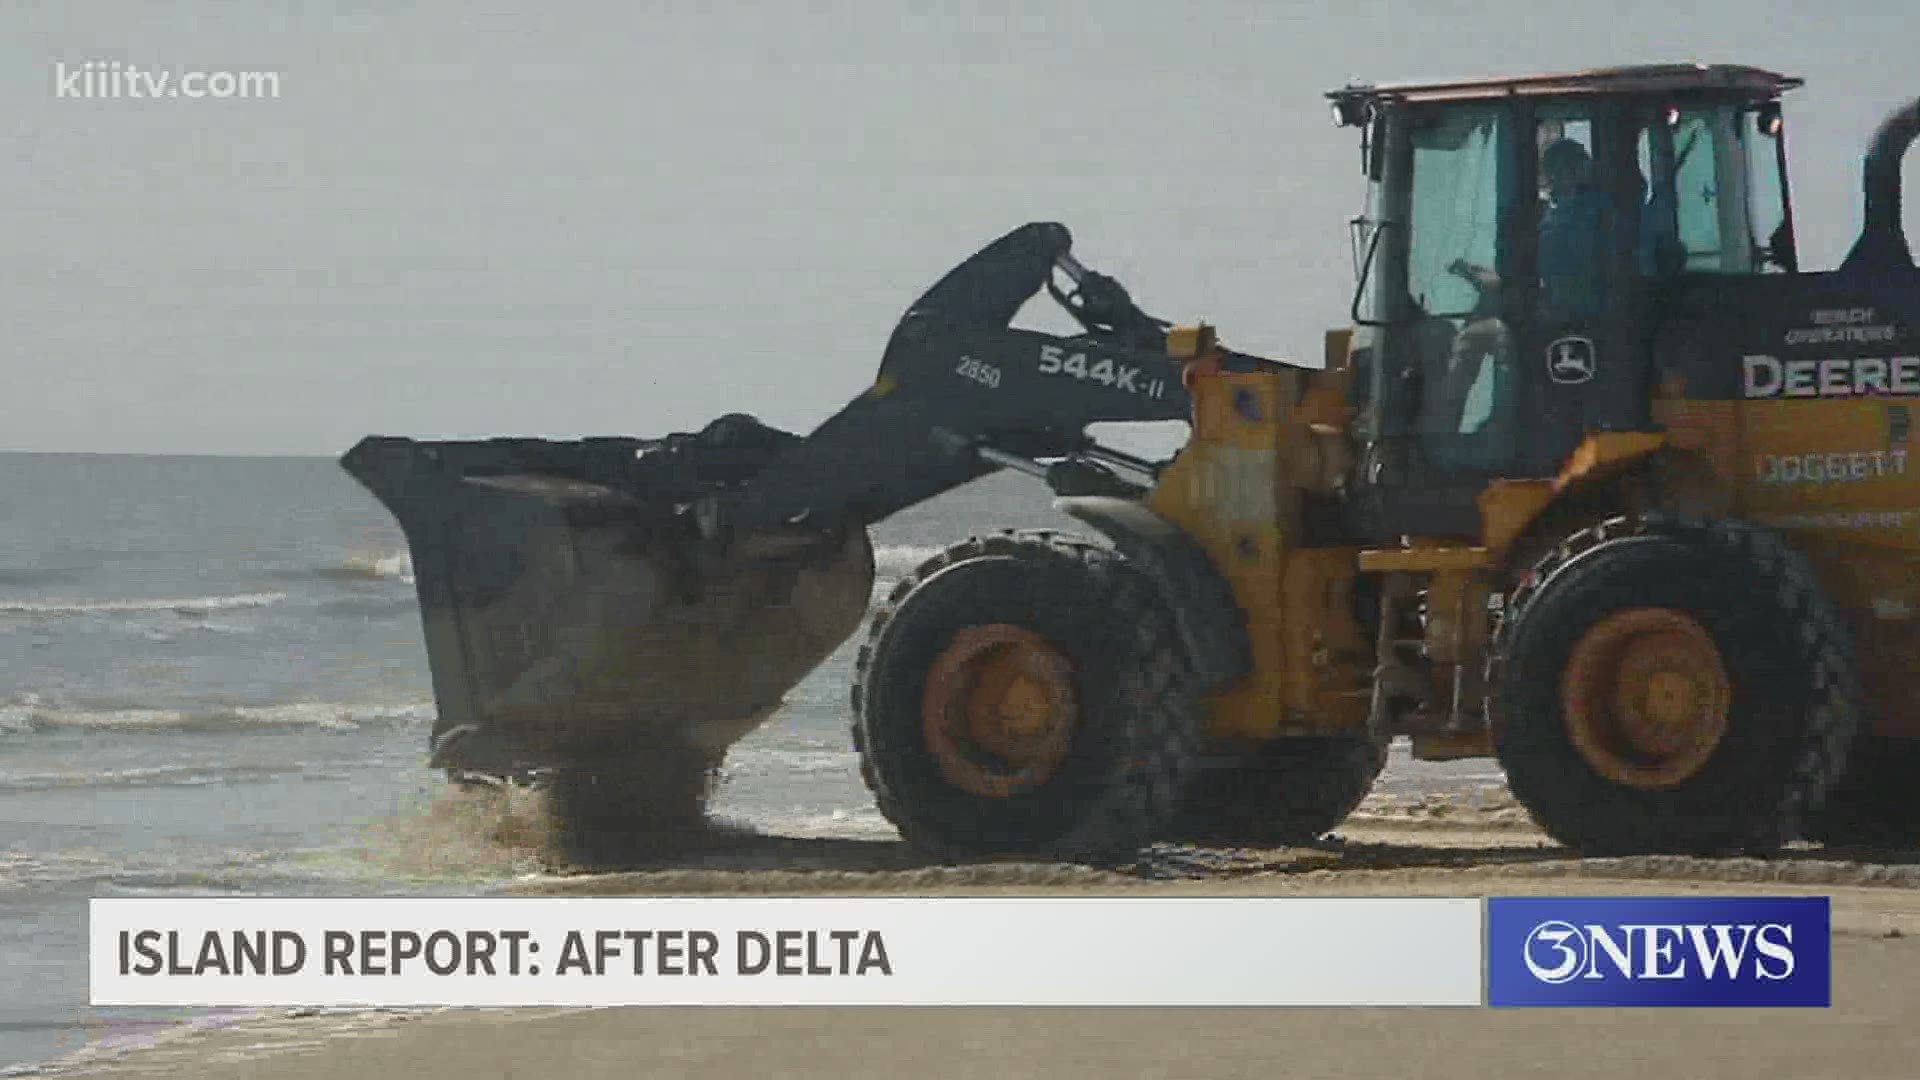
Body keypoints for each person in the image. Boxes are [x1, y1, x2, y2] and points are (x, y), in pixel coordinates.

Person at [1535, 137, 1611, 322]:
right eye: (1579, 165)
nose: (1588, 171)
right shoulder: (1552, 223)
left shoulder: (1602, 208)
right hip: (1574, 314)